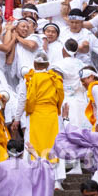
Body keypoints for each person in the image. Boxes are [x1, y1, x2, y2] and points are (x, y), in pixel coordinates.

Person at [19, 52, 65, 187]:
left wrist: (17, 118)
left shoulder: (29, 79)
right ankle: (57, 182)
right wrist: (57, 109)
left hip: (35, 114)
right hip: (51, 114)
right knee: (54, 145)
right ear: (48, 65)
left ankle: (31, 178)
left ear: (34, 64)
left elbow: (24, 99)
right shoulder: (55, 78)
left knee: (32, 144)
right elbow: (61, 96)